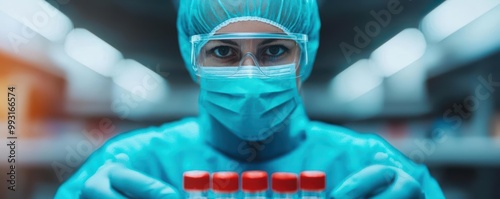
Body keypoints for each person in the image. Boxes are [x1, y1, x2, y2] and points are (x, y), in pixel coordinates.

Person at [56, 0, 445, 198]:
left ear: (304, 55)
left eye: (274, 51)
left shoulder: (375, 169)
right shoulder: (129, 167)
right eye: (223, 52)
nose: (249, 75)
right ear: (194, 60)